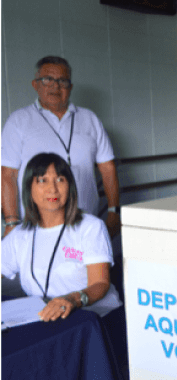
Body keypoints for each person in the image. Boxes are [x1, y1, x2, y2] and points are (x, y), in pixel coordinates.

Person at [1, 56, 121, 239]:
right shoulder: (18, 121)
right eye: (47, 79)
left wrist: (114, 211)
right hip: (35, 228)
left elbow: (108, 168)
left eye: (62, 81)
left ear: (70, 87)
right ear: (35, 84)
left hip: (84, 224)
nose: (55, 86)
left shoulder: (90, 119)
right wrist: (11, 222)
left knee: (88, 267)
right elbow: (7, 174)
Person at [1, 153, 122, 320]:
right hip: (47, 319)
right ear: (29, 189)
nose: (53, 188)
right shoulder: (20, 235)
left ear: (69, 187)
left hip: (95, 319)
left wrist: (71, 299)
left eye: (60, 179)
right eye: (42, 180)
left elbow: (100, 283)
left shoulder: (91, 227)